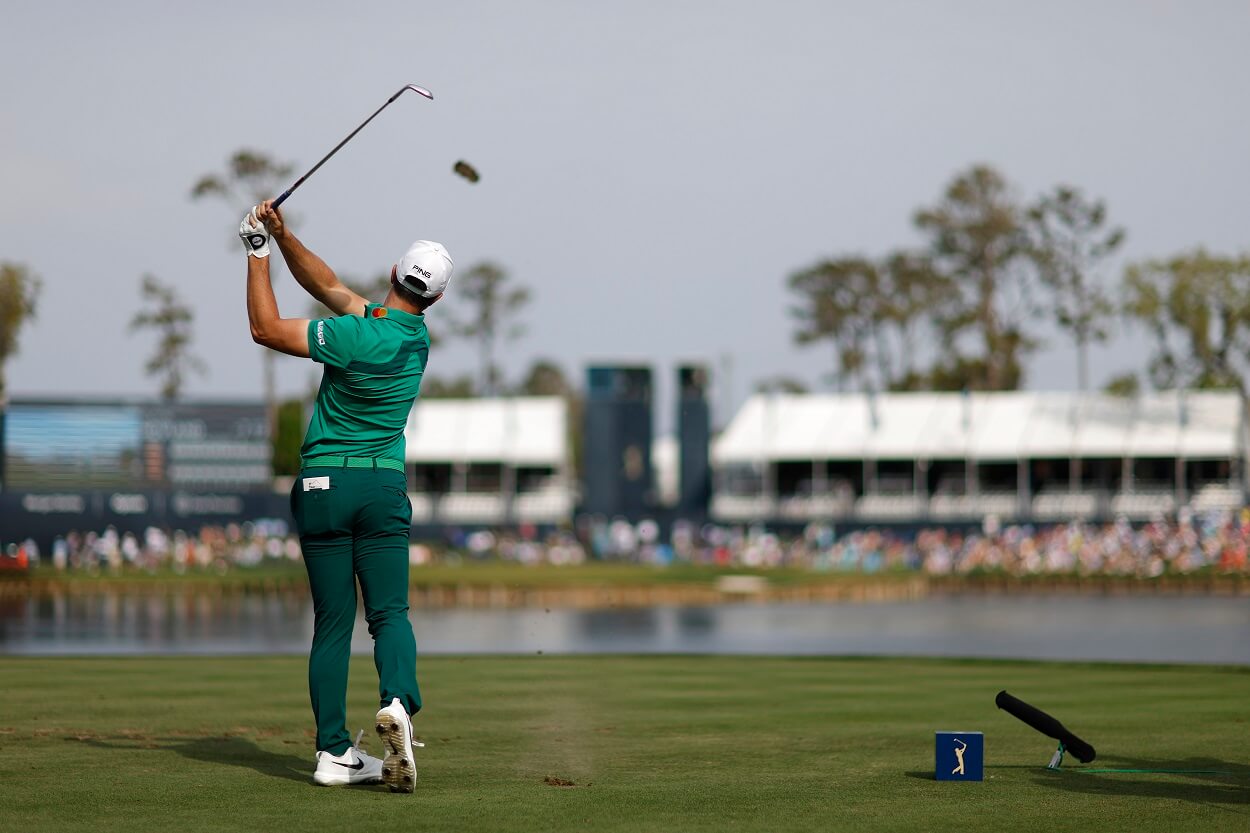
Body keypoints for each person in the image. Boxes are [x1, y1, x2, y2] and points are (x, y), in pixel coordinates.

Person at [240, 200, 451, 792]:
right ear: (433, 299)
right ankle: (399, 706)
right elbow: (326, 282)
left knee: (332, 623)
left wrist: (257, 255)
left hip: (322, 485)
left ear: (391, 273)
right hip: (381, 485)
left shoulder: (354, 332)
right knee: (389, 614)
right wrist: (283, 236)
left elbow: (266, 328)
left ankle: (333, 753)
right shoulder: (414, 339)